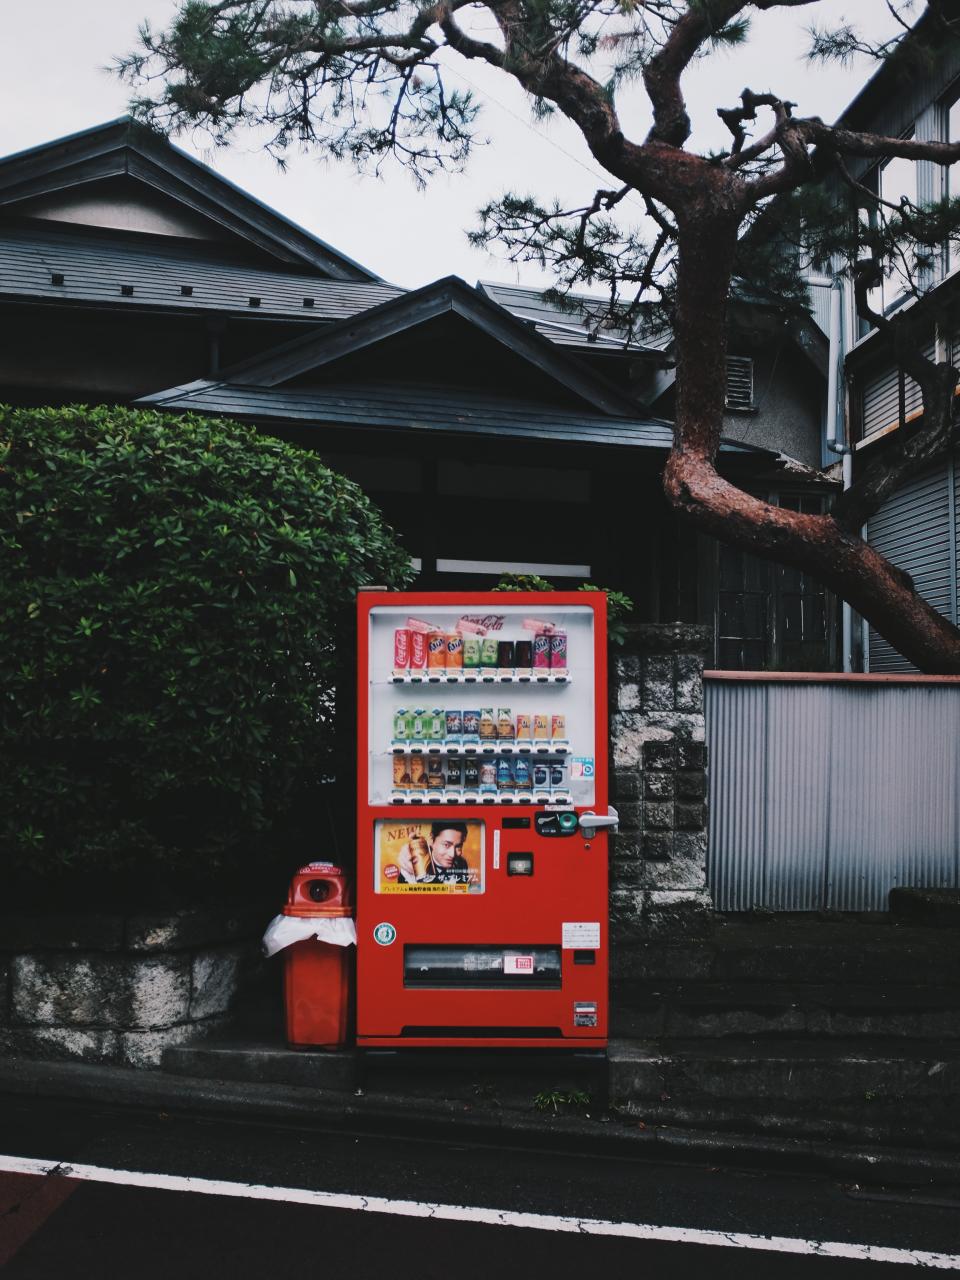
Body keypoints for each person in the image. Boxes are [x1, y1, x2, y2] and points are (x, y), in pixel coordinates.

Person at [397, 822, 471, 884]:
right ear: (431, 839)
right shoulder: (415, 867)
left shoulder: (462, 863)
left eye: (458, 846)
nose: (452, 854)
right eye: (446, 845)